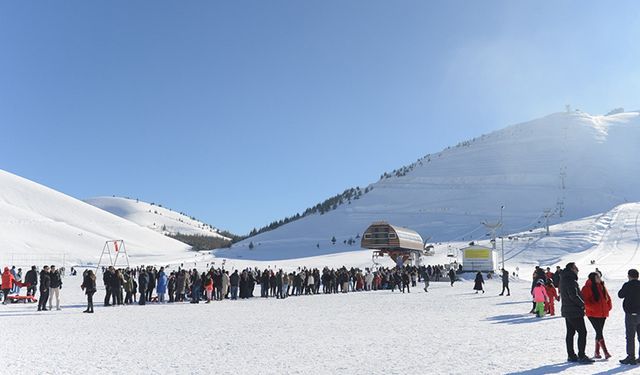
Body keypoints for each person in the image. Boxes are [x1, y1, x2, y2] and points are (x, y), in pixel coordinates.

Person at [560, 262, 593, 364]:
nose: (577, 269)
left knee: (570, 333)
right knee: (582, 332)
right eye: (576, 268)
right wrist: (583, 304)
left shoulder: (564, 279)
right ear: (572, 269)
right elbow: (573, 295)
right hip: (574, 311)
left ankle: (571, 355)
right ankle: (581, 355)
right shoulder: (570, 280)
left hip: (567, 310)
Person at [582, 272, 612, 359]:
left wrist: (608, 307)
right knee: (599, 331)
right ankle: (605, 352)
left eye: (599, 277)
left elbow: (607, 297)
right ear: (593, 278)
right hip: (592, 314)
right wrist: (594, 308)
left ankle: (597, 352)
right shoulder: (586, 288)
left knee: (599, 332)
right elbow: (585, 301)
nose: (599, 278)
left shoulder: (601, 286)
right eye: (597, 277)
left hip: (603, 313)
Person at [618, 268, 640, 365]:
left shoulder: (627, 285)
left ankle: (631, 357)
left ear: (629, 276)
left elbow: (620, 295)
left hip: (630, 314)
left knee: (630, 336)